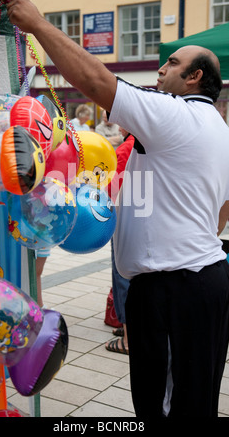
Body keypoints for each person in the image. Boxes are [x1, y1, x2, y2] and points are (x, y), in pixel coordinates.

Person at [3, 0, 229, 418]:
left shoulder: (173, 114)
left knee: (162, 406)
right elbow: (222, 218)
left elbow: (96, 81)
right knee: (193, 399)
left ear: (194, 78)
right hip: (204, 282)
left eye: (172, 64)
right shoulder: (221, 132)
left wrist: (37, 24)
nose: (160, 68)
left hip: (175, 289)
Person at [105, 127, 134, 355]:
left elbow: (113, 186)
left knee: (123, 277)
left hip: (125, 218)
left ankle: (127, 336)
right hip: (143, 220)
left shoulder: (128, 147)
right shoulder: (146, 141)